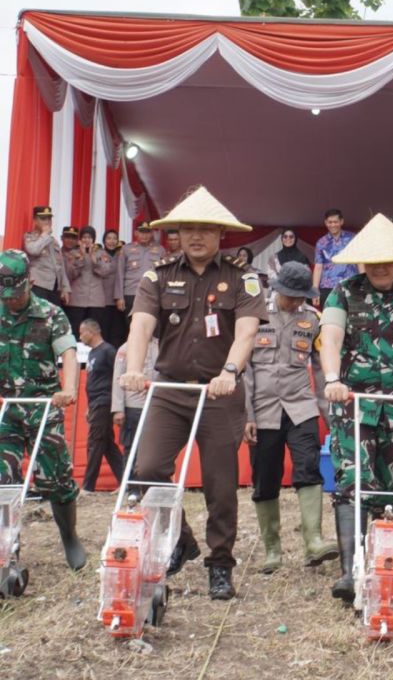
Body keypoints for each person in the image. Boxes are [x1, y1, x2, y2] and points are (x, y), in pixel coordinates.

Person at [119, 187, 268, 600]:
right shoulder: (158, 276)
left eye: (206, 230)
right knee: (147, 467)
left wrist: (230, 371)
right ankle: (181, 538)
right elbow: (141, 327)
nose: (197, 237)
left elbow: (247, 332)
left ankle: (220, 564)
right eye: (188, 230)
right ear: (177, 235)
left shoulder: (243, 279)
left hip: (219, 393)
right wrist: (134, 369)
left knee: (220, 486)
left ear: (222, 235)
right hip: (169, 389)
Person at [318, 214, 393, 603]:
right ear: (361, 262)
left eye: (388, 259)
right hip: (353, 402)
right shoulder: (342, 293)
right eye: (373, 260)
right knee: (354, 479)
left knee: (390, 486)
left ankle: (382, 561)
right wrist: (332, 379)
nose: (381, 267)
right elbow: (332, 336)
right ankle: (348, 571)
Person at [241, 262, 337, 573]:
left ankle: (314, 542)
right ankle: (273, 550)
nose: (296, 302)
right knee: (265, 479)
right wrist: (248, 415)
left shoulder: (312, 320)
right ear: (277, 289)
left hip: (301, 407)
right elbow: (246, 370)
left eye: (301, 296)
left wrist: (331, 415)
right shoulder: (254, 314)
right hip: (264, 410)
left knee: (309, 468)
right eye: (291, 296)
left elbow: (322, 370)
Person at [0, 249, 86, 569]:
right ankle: (9, 551)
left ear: (30, 283)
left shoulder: (50, 314)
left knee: (56, 479)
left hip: (43, 407)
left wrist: (69, 389)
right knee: (2, 480)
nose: (10, 301)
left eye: (15, 294)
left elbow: (69, 353)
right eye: (4, 296)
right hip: (6, 410)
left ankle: (70, 538)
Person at [79, 318, 124, 492]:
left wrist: (118, 405)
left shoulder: (108, 351)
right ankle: (125, 481)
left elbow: (118, 376)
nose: (80, 336)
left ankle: (88, 486)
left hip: (105, 401)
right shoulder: (92, 353)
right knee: (106, 444)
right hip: (95, 403)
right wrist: (89, 406)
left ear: (92, 332)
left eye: (82, 332)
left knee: (95, 442)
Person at [64, 226, 114, 339]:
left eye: (90, 237)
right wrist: (80, 259)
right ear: (80, 239)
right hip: (77, 300)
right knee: (76, 331)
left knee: (93, 332)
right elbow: (70, 274)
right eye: (84, 237)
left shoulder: (101, 253)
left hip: (95, 300)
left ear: (94, 239)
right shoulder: (73, 253)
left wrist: (94, 260)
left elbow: (105, 272)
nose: (87, 240)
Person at [112, 338, 159, 452]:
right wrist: (118, 409)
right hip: (134, 407)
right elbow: (118, 379)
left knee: (155, 450)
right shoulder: (125, 348)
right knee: (132, 449)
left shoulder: (161, 345)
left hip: (157, 406)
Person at [115, 223, 166, 318]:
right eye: (142, 232)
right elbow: (119, 274)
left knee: (151, 324)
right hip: (131, 293)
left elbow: (164, 274)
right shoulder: (126, 249)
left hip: (152, 293)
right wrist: (119, 297)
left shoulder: (160, 250)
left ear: (151, 234)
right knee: (131, 325)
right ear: (136, 233)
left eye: (147, 232)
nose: (144, 235)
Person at [24, 206, 71, 306]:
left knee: (52, 320)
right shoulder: (30, 236)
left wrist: (65, 288)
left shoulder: (53, 241)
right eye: (43, 218)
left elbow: (61, 267)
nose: (47, 222)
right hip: (38, 285)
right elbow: (33, 250)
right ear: (35, 220)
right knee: (38, 318)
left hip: (54, 287)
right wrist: (45, 234)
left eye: (49, 219)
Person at [313, 208, 356, 306]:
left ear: (341, 221)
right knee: (330, 318)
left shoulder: (352, 238)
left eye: (335, 222)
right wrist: (315, 290)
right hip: (328, 287)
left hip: (350, 285)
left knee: (352, 317)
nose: (333, 225)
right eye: (330, 222)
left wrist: (364, 283)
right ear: (325, 223)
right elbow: (318, 267)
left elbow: (360, 262)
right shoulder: (321, 242)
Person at [101, 229, 125, 345]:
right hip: (103, 299)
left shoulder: (121, 254)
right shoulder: (98, 253)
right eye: (109, 238)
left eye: (114, 238)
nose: (112, 241)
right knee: (104, 330)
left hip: (118, 298)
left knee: (118, 331)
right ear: (104, 240)